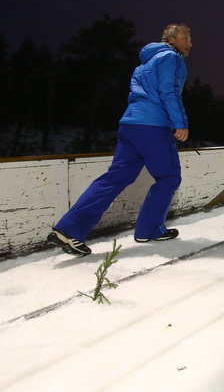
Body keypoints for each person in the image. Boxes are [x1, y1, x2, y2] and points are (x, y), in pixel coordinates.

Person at [48, 23, 192, 256]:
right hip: (153, 126)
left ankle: (70, 229)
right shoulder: (171, 57)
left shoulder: (144, 64)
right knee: (168, 177)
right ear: (172, 40)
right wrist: (180, 122)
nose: (190, 43)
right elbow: (169, 91)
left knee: (114, 178)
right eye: (186, 38)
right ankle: (150, 229)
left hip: (130, 125)